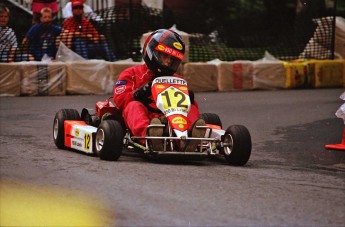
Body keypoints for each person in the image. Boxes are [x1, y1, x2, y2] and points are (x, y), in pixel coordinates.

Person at [113, 29, 206, 152]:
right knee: (133, 106)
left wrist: (190, 99)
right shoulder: (132, 74)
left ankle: (187, 140)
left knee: (192, 108)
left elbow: (188, 107)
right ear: (152, 52)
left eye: (172, 59)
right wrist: (138, 94)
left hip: (170, 118)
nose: (168, 62)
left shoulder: (177, 80)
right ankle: (150, 138)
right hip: (145, 117)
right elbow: (119, 100)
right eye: (165, 56)